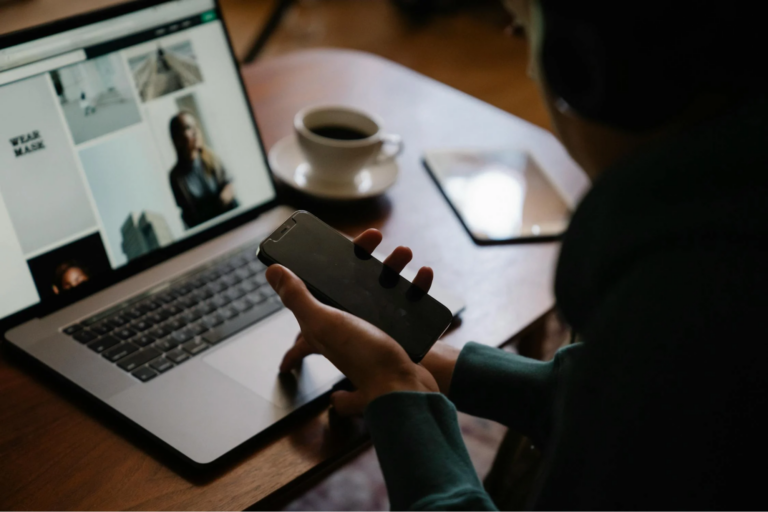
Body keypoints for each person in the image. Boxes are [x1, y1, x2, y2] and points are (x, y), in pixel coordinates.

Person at [266, 0, 767, 510]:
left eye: (523, 28)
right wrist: (432, 364)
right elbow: (643, 411)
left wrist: (400, 394)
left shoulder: (682, 296)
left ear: (585, 69)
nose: (530, 62)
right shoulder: (726, 242)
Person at [168, 111, 238, 229]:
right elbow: (187, 214)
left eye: (195, 126)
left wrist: (225, 197)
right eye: (188, 128)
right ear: (177, 138)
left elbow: (229, 185)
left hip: (231, 220)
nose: (195, 132)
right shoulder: (175, 176)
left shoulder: (212, 157)